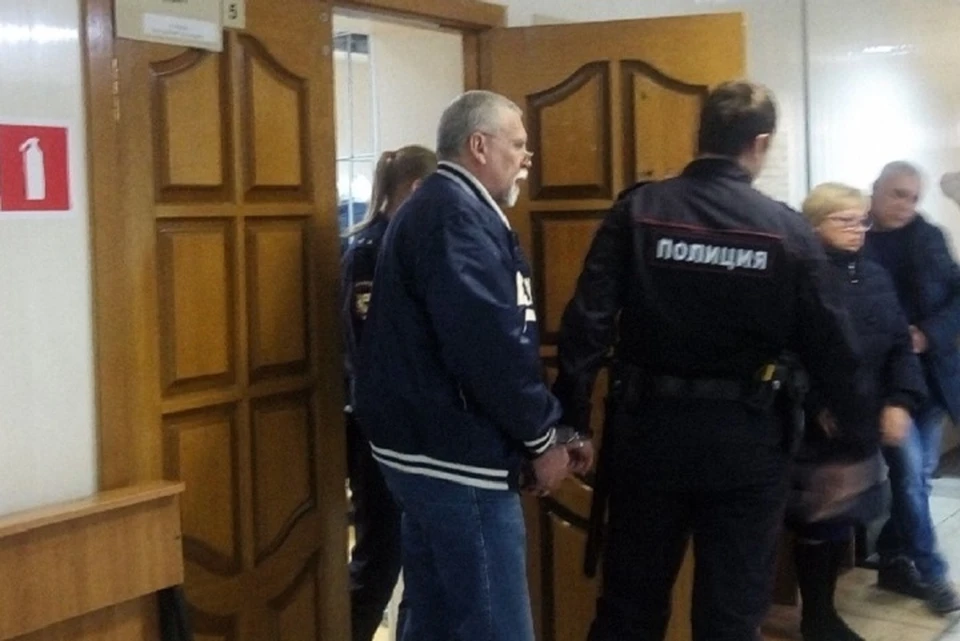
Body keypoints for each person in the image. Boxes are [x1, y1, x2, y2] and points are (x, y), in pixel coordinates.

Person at [552, 80, 867, 641]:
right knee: (730, 620)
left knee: (628, 612)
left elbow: (587, 324)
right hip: (748, 444)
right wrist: (855, 445)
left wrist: (571, 421)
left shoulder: (639, 210)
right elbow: (834, 347)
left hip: (648, 439)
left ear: (700, 135)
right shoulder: (786, 230)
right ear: (759, 143)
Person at [354, 90, 591, 641]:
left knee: (433, 617)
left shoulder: (444, 208)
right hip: (456, 459)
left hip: (425, 451)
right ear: (478, 146)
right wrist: (542, 438)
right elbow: (489, 346)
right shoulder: (455, 216)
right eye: (518, 144)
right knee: (496, 627)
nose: (527, 158)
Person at [787, 182, 927, 641]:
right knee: (817, 517)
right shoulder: (799, 277)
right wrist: (814, 403)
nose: (857, 229)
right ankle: (817, 617)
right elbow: (786, 350)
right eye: (843, 220)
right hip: (817, 422)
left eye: (862, 220)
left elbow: (899, 345)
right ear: (814, 225)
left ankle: (825, 612)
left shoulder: (874, 275)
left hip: (866, 414)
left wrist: (901, 400)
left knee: (844, 516)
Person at [339, 145, 437, 641]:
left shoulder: (410, 246)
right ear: (417, 190)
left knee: (419, 559)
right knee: (380, 559)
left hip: (413, 428)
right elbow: (371, 348)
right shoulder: (371, 251)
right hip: (379, 429)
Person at [864, 161, 960, 614]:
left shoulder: (930, 238)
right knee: (908, 478)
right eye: (897, 194)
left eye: (914, 197)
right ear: (876, 189)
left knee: (917, 478)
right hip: (885, 384)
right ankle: (933, 572)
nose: (906, 205)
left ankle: (892, 558)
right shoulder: (855, 237)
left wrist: (929, 333)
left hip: (932, 378)